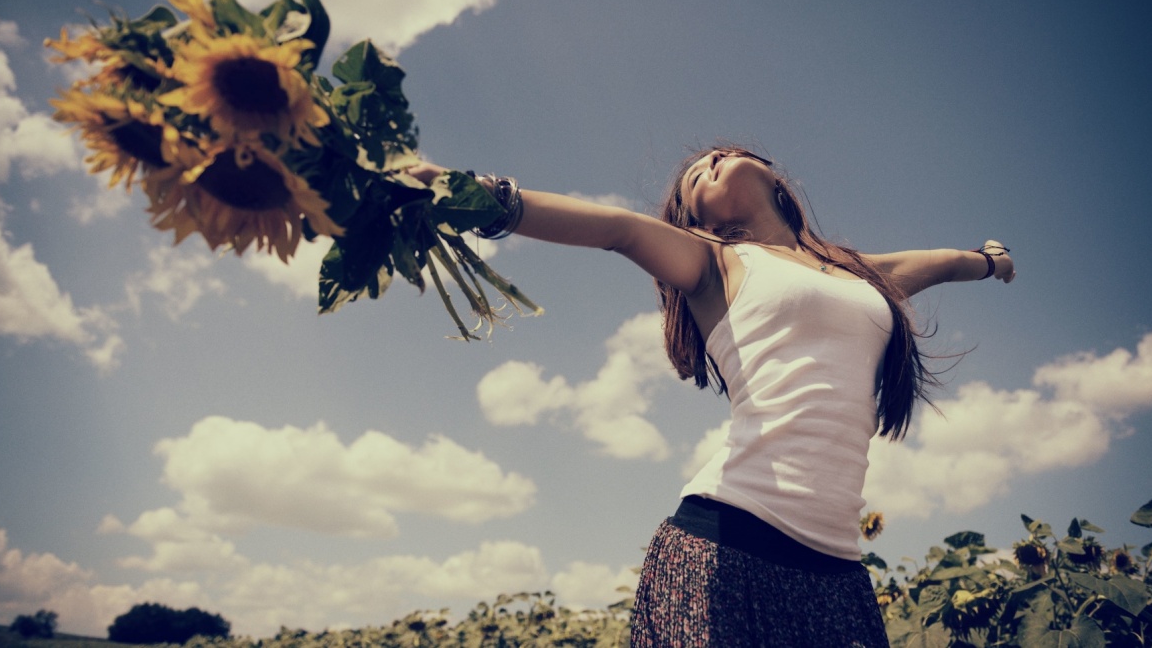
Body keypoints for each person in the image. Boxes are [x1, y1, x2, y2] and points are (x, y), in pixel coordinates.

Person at [411, 146, 1015, 647]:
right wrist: (461, 192)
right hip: (727, 542)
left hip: (836, 572)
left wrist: (987, 262)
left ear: (777, 179)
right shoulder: (716, 263)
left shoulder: (858, 273)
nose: (712, 160)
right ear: (693, 219)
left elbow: (934, 264)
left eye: (725, 154)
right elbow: (617, 230)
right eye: (695, 174)